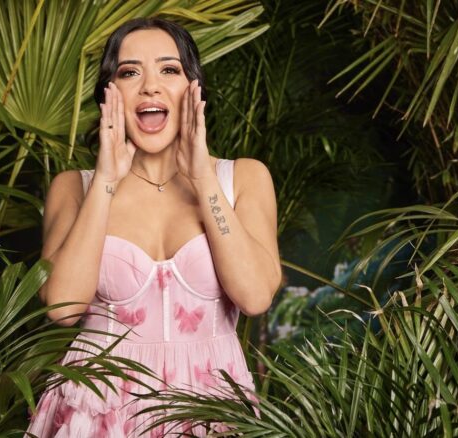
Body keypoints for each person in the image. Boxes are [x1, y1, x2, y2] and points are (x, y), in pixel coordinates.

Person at [26, 17, 281, 437]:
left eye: (169, 69)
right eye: (130, 72)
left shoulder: (243, 178)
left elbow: (254, 296)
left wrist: (202, 179)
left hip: (208, 410)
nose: (150, 87)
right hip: (99, 410)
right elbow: (62, 309)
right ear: (109, 94)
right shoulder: (74, 188)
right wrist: (105, 181)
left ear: (193, 88)